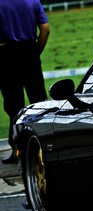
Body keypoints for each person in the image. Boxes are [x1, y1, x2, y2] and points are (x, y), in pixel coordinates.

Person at [0, 0, 50, 164]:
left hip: (6, 55)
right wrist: (35, 52)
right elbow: (45, 29)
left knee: (14, 106)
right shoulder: (33, 1)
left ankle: (17, 150)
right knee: (39, 102)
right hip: (30, 53)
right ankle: (45, 146)